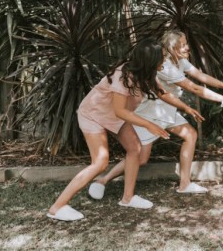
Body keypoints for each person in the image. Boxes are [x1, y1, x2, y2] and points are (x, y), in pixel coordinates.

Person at [47, 38, 203, 221]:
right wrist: (149, 124)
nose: (165, 60)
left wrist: (186, 108)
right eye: (162, 57)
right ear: (150, 60)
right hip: (93, 115)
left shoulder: (146, 73)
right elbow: (120, 111)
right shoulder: (124, 76)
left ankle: (127, 199)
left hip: (115, 116)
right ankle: (57, 208)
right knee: (100, 162)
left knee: (135, 149)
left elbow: (161, 93)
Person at [88, 30, 223, 196]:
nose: (187, 48)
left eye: (186, 44)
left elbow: (201, 76)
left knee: (190, 134)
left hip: (167, 109)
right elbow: (194, 87)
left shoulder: (180, 62)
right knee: (141, 158)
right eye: (182, 45)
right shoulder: (165, 66)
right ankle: (102, 180)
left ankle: (184, 184)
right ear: (171, 48)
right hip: (149, 111)